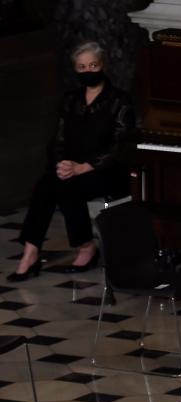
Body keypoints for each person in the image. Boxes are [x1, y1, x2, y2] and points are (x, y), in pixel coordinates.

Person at [9, 41, 134, 281]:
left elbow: (120, 146)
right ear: (76, 69)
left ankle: (86, 247)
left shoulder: (120, 100)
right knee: (46, 184)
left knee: (65, 186)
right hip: (72, 167)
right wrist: (62, 164)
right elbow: (58, 139)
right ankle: (31, 250)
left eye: (93, 65)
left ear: (102, 65)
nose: (88, 71)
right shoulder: (70, 99)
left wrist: (83, 167)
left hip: (105, 171)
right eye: (82, 67)